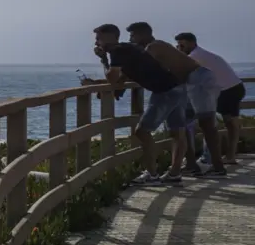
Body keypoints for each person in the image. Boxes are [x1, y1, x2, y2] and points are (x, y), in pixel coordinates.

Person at [86, 23, 189, 185]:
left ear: (108, 37)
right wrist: (118, 88)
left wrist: (103, 59)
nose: (96, 42)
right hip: (177, 87)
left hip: (165, 91)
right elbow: (126, 74)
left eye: (98, 38)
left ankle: (152, 174)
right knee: (177, 132)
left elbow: (112, 78)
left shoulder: (117, 51)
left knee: (142, 132)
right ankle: (174, 174)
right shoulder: (128, 48)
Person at [126, 22, 226, 177]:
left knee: (206, 124)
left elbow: (141, 69)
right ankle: (191, 164)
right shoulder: (159, 47)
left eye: (133, 35)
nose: (130, 39)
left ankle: (218, 168)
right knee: (182, 124)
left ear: (143, 34)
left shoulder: (153, 47)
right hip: (190, 82)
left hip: (198, 79)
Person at [175, 32, 245, 165]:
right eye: (178, 45)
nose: (180, 48)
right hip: (234, 87)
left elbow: (180, 72)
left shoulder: (195, 56)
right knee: (230, 124)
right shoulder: (201, 54)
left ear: (192, 43)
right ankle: (229, 156)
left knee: (207, 122)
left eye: (182, 45)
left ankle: (207, 158)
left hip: (226, 91)